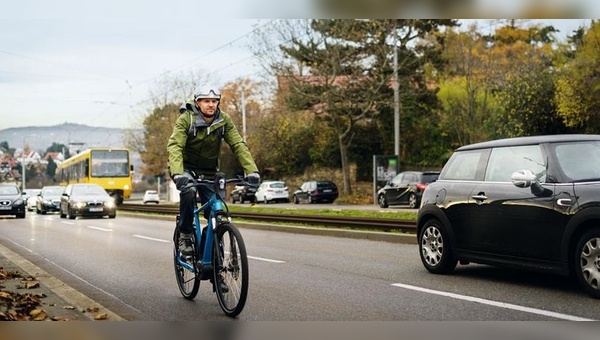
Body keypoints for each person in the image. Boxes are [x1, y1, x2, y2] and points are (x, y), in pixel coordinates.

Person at [167, 85, 260, 255]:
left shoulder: (223, 120)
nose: (211, 105)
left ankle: (213, 249)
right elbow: (175, 146)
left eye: (214, 101)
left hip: (209, 171)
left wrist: (252, 171)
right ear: (198, 103)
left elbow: (238, 145)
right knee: (188, 192)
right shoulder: (186, 120)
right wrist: (178, 173)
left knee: (217, 212)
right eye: (206, 101)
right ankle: (186, 234)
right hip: (185, 168)